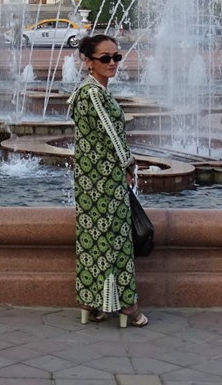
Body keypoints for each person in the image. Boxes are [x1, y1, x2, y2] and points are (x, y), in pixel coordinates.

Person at [69, 33, 147, 328]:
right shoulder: (93, 94)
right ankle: (128, 307)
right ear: (88, 62)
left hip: (90, 181)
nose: (112, 62)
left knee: (92, 242)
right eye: (105, 58)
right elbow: (112, 136)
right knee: (117, 242)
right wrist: (129, 162)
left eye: (116, 56)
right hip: (104, 181)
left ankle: (91, 304)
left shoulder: (87, 91)